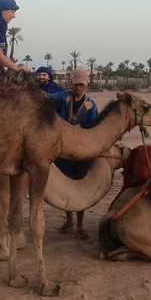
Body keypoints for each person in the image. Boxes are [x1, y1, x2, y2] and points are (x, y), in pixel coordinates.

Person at [49, 67, 98, 239]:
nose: (79, 88)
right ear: (71, 82)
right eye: (77, 84)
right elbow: (46, 99)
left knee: (79, 187)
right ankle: (69, 220)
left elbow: (95, 128)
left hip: (82, 153)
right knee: (66, 187)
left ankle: (80, 225)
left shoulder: (91, 105)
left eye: (82, 85)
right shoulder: (61, 98)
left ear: (86, 84)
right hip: (63, 152)